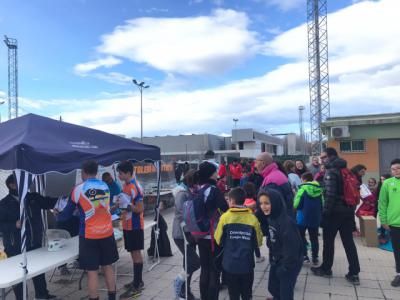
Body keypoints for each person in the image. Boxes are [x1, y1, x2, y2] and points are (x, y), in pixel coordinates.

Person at [58, 160, 118, 300]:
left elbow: (66, 214)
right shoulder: (105, 186)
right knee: (108, 267)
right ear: (96, 172)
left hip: (89, 235)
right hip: (107, 233)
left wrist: (58, 215)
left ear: (83, 172)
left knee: (92, 272)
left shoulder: (78, 189)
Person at [0, 175, 59, 300]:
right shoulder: (4, 204)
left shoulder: (32, 197)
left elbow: (48, 203)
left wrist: (60, 192)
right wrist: (13, 225)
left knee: (39, 271)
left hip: (34, 242)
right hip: (15, 246)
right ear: (12, 185)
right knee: (18, 275)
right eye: (20, 182)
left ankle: (42, 295)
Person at [311, 148, 361, 285]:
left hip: (334, 213)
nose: (321, 160)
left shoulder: (331, 171)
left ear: (331, 156)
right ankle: (354, 272)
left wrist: (325, 214)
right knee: (349, 243)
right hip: (347, 211)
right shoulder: (347, 170)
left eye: (323, 157)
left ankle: (326, 269)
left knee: (328, 242)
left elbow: (331, 195)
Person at [214, 187, 263, 300]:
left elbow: (218, 239)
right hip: (247, 264)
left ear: (232, 201)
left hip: (230, 265)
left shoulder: (225, 218)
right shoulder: (252, 218)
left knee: (233, 294)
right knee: (247, 294)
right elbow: (259, 242)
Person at [258, 189, 303, 300]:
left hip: (289, 263)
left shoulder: (286, 223)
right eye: (261, 203)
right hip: (277, 259)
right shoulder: (271, 218)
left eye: (267, 203)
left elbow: (292, 249)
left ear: (276, 203)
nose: (263, 206)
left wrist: (285, 268)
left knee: (285, 292)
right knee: (272, 287)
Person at [196, 161, 229, 300]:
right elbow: (225, 210)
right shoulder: (214, 190)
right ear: (210, 174)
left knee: (204, 269)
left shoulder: (198, 189)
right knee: (214, 271)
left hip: (200, 235)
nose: (217, 174)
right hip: (214, 236)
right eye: (215, 172)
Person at [116, 161, 146, 298]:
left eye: (120, 173)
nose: (119, 175)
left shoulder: (135, 186)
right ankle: (137, 280)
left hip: (135, 225)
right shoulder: (126, 185)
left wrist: (127, 205)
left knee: (136, 253)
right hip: (127, 224)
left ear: (128, 173)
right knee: (133, 253)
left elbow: (140, 209)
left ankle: (138, 284)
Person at [172, 170, 201, 300]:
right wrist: (188, 231)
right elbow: (180, 214)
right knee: (194, 262)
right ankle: (179, 282)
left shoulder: (190, 192)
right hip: (182, 234)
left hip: (190, 233)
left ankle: (185, 290)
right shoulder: (182, 194)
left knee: (188, 262)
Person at [293, 172, 323, 265]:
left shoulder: (302, 189)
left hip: (302, 218)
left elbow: (296, 204)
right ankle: (315, 257)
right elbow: (322, 204)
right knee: (314, 238)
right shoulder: (319, 190)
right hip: (315, 218)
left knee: (301, 237)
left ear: (304, 179)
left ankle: (304, 256)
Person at [379, 158, 400, 287]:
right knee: (397, 250)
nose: (396, 171)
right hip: (394, 224)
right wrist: (384, 220)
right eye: (393, 169)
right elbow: (382, 203)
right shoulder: (387, 183)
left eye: (398, 168)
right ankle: (399, 273)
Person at [255, 152, 294, 217]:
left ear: (263, 163)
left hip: (277, 223)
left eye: (256, 162)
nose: (255, 165)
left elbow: (270, 207)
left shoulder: (271, 180)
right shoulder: (276, 174)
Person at [243, 182, 265, 263]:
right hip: (251, 224)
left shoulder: (242, 201)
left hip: (243, 224)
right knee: (254, 241)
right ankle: (258, 257)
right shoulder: (254, 202)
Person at [377, 173, 391, 243]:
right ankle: (382, 235)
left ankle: (386, 238)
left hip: (390, 208)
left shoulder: (390, 186)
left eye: (384, 179)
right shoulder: (380, 187)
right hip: (382, 208)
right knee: (383, 222)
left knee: (388, 223)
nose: (382, 181)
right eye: (381, 179)